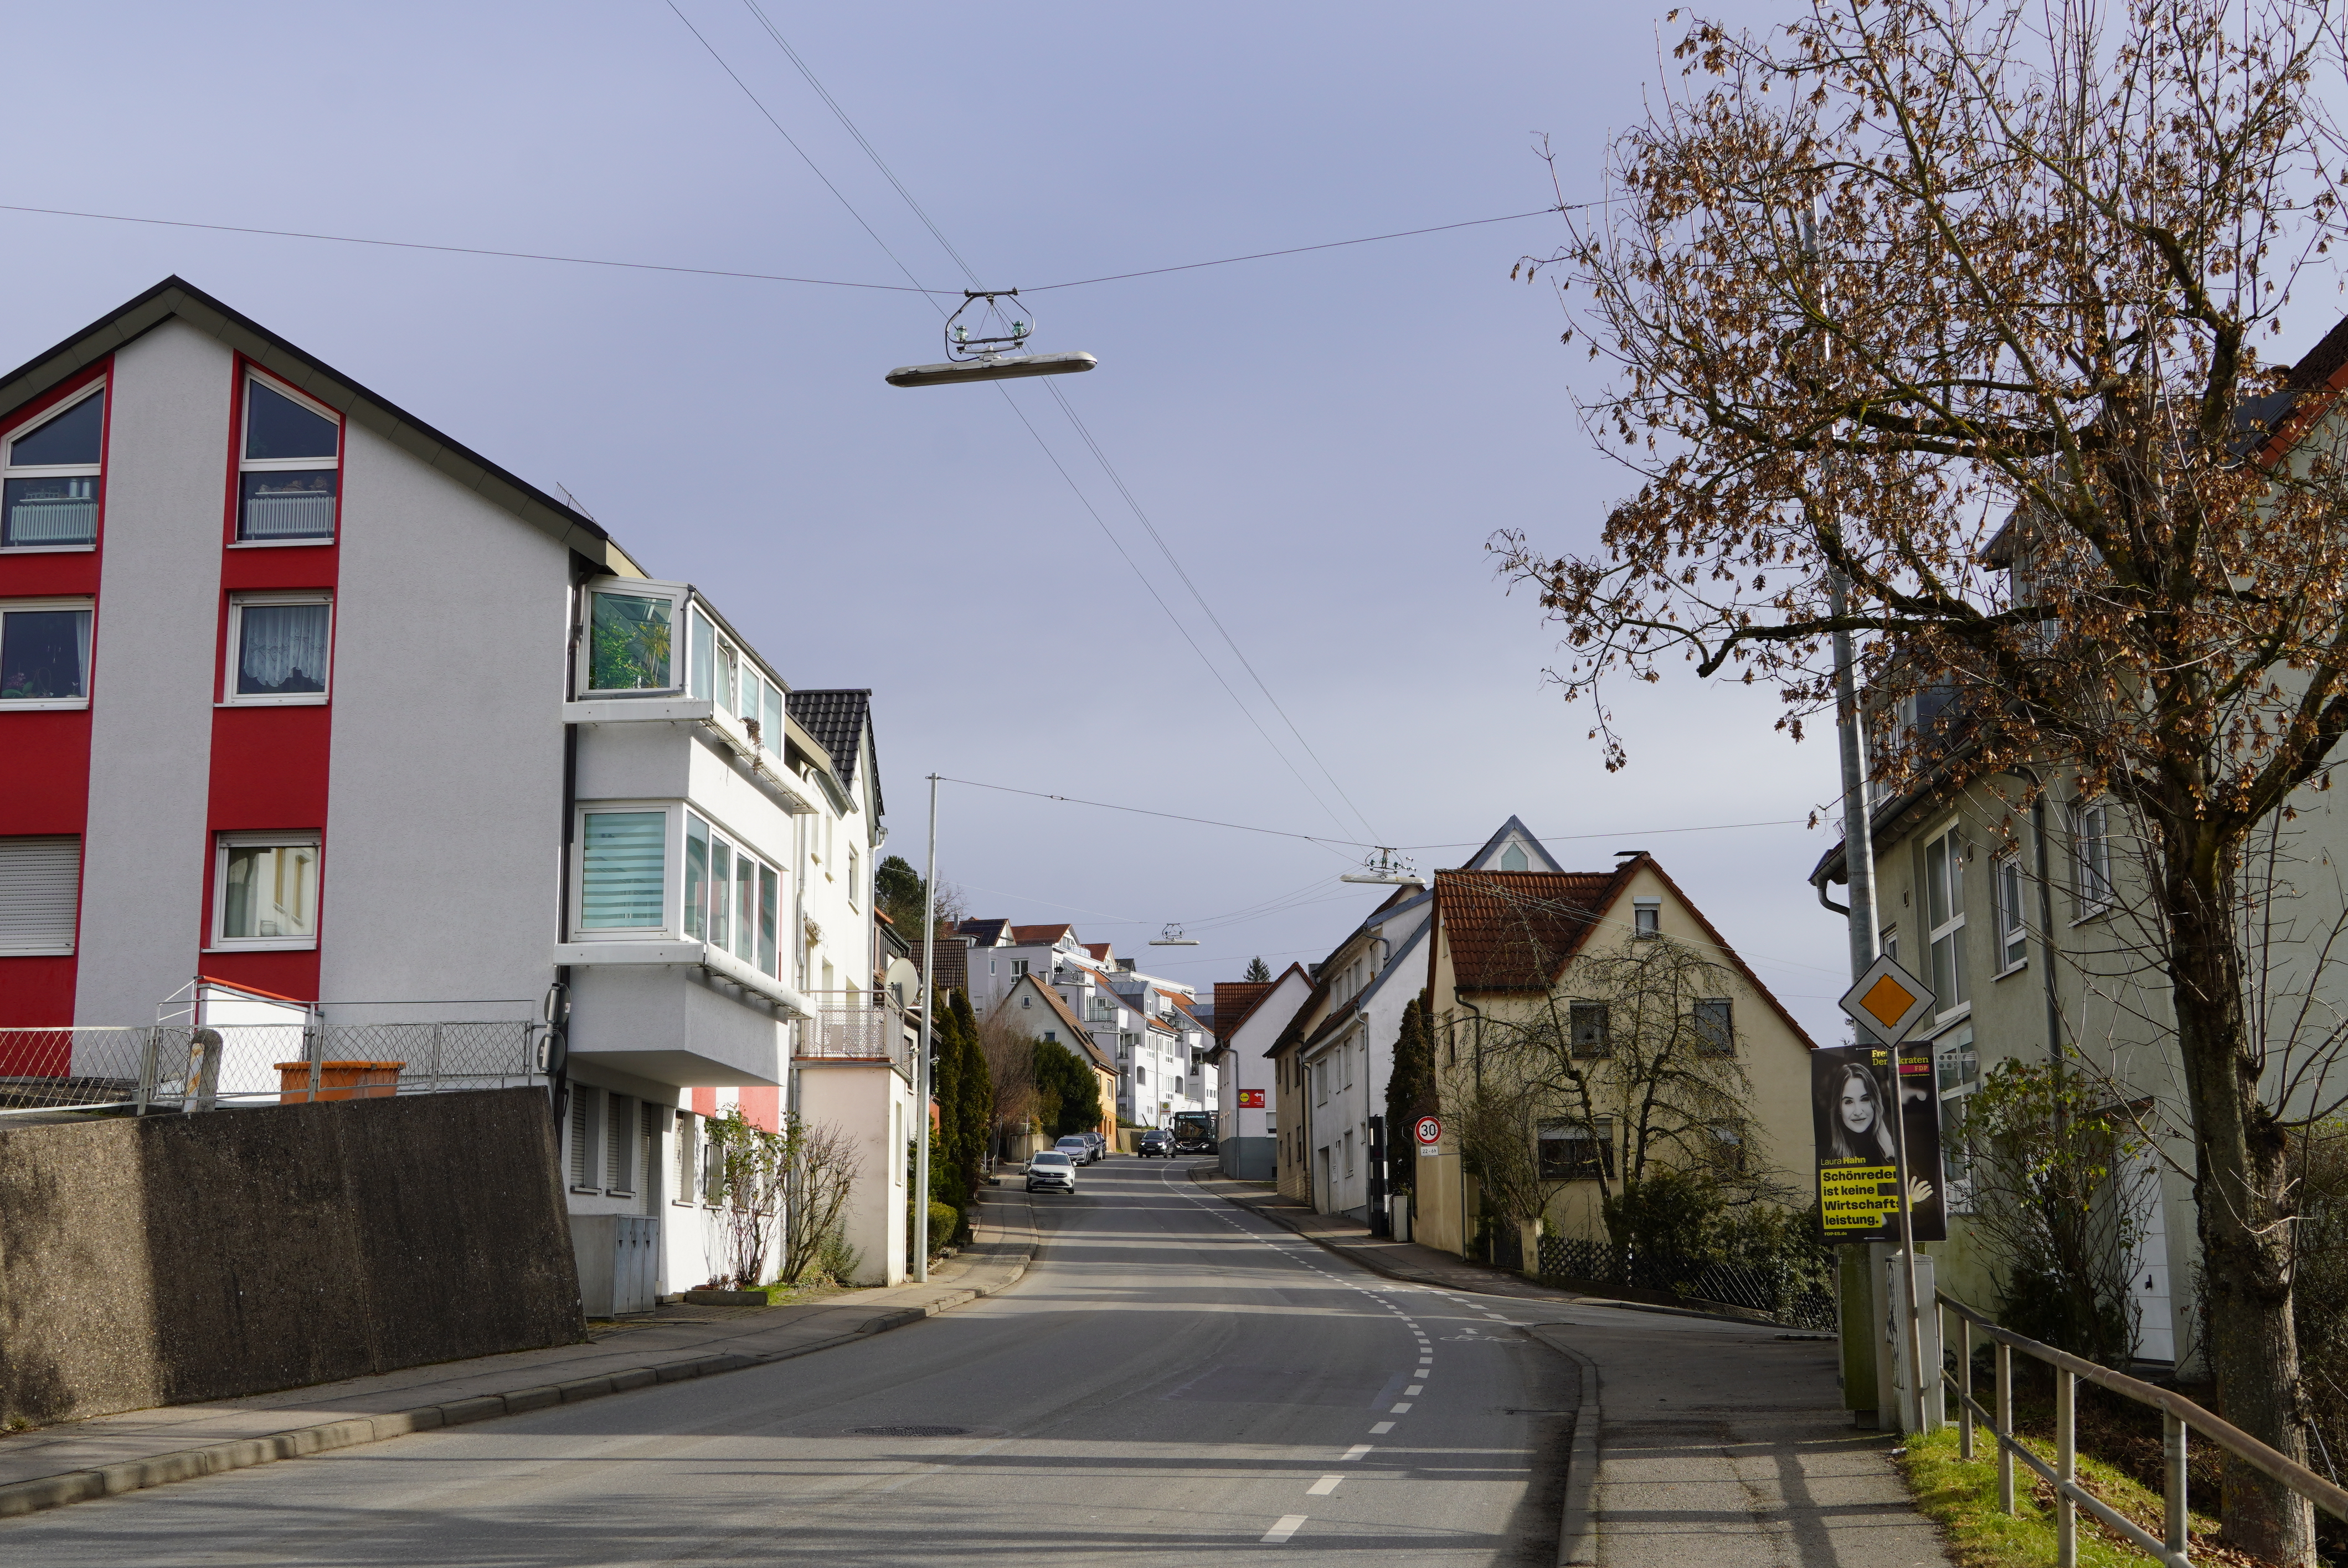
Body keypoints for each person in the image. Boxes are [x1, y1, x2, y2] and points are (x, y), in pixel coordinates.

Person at [1823, 1059, 1899, 1163]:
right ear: (1839, 1108)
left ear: (1876, 1103)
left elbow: (1921, 1180)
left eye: (1865, 1099)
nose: (1858, 1112)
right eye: (1849, 1102)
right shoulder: (1833, 1162)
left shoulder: (1892, 1153)